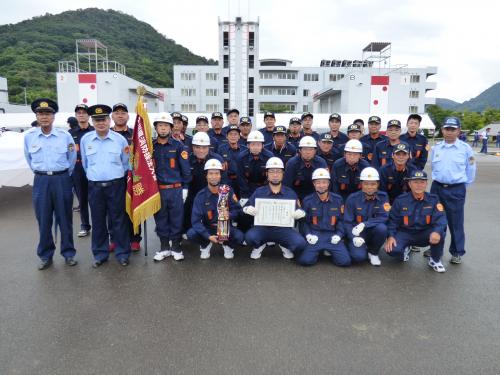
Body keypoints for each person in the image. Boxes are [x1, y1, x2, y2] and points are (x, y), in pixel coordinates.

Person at [24, 98, 77, 270]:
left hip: (61, 179)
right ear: (36, 116)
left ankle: (68, 253)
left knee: (65, 219)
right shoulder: (29, 137)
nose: (44, 117)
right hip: (41, 181)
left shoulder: (65, 136)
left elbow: (71, 158)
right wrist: (42, 173)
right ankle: (45, 255)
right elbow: (29, 159)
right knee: (44, 219)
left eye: (48, 114)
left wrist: (61, 174)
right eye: (41, 114)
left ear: (54, 117)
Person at [80, 104, 131, 267]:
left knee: (118, 220)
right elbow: (86, 164)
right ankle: (100, 254)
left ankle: (122, 253)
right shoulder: (85, 140)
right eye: (97, 120)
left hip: (116, 185)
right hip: (95, 187)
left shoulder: (120, 140)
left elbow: (126, 164)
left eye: (103, 119)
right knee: (98, 221)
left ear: (109, 120)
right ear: (92, 121)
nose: (100, 123)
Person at [429, 116, 476, 264]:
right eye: (446, 129)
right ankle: (434, 248)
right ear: (442, 130)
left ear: (458, 131)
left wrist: (461, 186)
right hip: (437, 187)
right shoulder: (436, 148)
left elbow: (471, 170)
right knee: (434, 219)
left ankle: (457, 252)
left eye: (452, 129)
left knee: (455, 222)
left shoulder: (465, 149)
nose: (449, 132)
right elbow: (434, 168)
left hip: (456, 189)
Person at [243, 157, 307, 259]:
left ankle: (284, 244)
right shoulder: (259, 192)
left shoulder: (290, 193)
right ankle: (259, 245)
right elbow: (246, 206)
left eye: (278, 172)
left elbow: (299, 210)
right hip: (262, 228)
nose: (275, 175)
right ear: (267, 174)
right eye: (272, 172)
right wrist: (247, 209)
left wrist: (301, 213)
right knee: (250, 238)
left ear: (283, 174)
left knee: (300, 244)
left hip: (283, 229)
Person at [384, 170, 447, 273]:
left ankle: (434, 260)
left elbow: (441, 218)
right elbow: (393, 221)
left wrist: (436, 232)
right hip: (405, 233)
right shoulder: (400, 200)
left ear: (426, 184)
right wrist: (390, 236)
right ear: (409, 184)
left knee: (441, 233)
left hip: (424, 233)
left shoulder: (433, 199)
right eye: (415, 182)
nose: (419, 185)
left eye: (422, 182)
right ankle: (405, 248)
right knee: (392, 250)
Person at [151, 113, 191, 262]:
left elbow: (185, 169)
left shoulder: (179, 146)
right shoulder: (150, 146)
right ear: (156, 128)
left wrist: (185, 187)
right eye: (160, 126)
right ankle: (164, 248)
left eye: (166, 126)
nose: (163, 128)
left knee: (176, 219)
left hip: (175, 189)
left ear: (171, 128)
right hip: (158, 190)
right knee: (160, 218)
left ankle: (176, 247)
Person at [187, 159, 244, 259]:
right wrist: (207, 236)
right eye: (211, 173)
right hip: (208, 228)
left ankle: (227, 245)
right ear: (206, 176)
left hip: (225, 227)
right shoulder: (200, 196)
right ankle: (205, 244)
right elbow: (195, 221)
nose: (214, 177)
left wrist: (230, 215)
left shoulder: (227, 191)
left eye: (217, 173)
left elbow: (238, 211)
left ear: (220, 175)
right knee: (191, 234)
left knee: (239, 236)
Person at [298, 168, 350, 267]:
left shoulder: (338, 200)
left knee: (345, 262)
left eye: (324, 182)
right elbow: (304, 222)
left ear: (328, 183)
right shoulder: (308, 200)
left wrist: (339, 235)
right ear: (314, 184)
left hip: (332, 235)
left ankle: (328, 249)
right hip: (315, 235)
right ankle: (319, 251)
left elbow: (341, 220)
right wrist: (308, 235)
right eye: (318, 183)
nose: (321, 185)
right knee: (305, 261)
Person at [110, 103, 142, 252]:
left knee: (134, 207)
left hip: (133, 177)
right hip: (114, 177)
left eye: (123, 112)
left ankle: (135, 239)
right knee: (114, 210)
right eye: (117, 113)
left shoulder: (134, 134)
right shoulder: (107, 135)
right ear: (112, 117)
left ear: (128, 116)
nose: (120, 115)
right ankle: (115, 239)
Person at [344, 167, 390, 266]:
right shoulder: (352, 198)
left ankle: (373, 252)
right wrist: (353, 237)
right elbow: (347, 222)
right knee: (358, 257)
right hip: (357, 233)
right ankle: (354, 246)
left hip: (373, 231)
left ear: (377, 184)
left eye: (373, 184)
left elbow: (384, 216)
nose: (369, 187)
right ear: (361, 184)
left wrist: (365, 224)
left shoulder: (383, 197)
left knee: (382, 228)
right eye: (366, 184)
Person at [183, 132, 225, 234]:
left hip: (213, 193)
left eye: (204, 147)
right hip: (193, 193)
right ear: (192, 147)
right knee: (187, 210)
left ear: (209, 147)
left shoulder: (217, 159)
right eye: (197, 147)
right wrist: (184, 189)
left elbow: (223, 179)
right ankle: (188, 232)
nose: (201, 150)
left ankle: (222, 235)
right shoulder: (187, 159)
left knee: (218, 216)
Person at [69, 104, 94, 237]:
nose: (81, 114)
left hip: (93, 169)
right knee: (82, 200)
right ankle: (85, 226)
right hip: (78, 171)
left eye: (84, 112)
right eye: (78, 112)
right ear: (76, 116)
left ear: (88, 115)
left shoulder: (95, 130)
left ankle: (99, 225)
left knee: (96, 200)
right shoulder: (70, 134)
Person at [284, 136, 327, 201]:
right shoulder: (292, 163)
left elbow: (326, 185)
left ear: (315, 151)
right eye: (305, 149)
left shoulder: (321, 163)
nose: (308, 152)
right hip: (296, 195)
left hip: (316, 197)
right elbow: (287, 186)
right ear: (300, 150)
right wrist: (294, 200)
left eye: (311, 149)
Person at [236, 130, 273, 205]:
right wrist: (245, 195)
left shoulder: (269, 157)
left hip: (265, 188)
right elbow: (240, 178)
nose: (255, 147)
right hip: (247, 188)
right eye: (252, 144)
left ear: (263, 146)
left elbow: (270, 176)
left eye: (258, 144)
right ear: (248, 145)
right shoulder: (241, 157)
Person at [217, 124, 246, 197]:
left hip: (241, 182)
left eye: (235, 134)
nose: (233, 136)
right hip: (226, 181)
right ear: (226, 136)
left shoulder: (245, 149)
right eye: (230, 134)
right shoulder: (221, 149)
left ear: (239, 136)